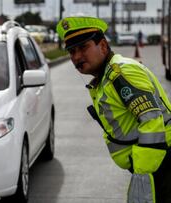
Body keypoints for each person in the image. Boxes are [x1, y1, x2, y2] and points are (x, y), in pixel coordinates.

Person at [56, 16, 171, 203]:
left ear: (102, 46)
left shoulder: (121, 73)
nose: (76, 57)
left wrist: (142, 175)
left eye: (83, 47)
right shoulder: (107, 77)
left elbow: (151, 121)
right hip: (156, 164)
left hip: (160, 165)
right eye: (72, 51)